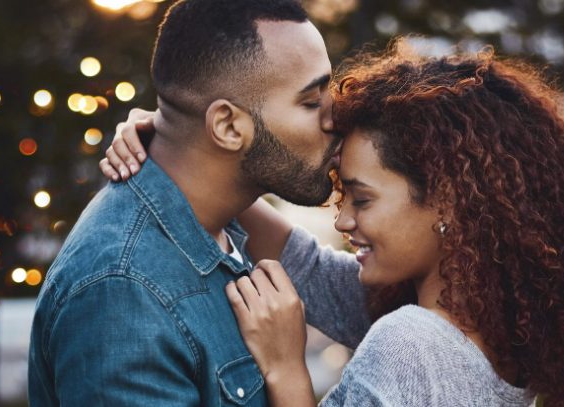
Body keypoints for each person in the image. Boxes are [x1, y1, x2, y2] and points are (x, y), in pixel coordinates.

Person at [105, 43, 564, 406]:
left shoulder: (411, 344)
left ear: (449, 202)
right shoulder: (499, 332)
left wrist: (288, 371)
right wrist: (189, 142)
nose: (342, 219)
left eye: (361, 199)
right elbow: (303, 262)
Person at [27, 0, 343, 405]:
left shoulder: (219, 221)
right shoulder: (123, 293)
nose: (336, 118)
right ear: (228, 126)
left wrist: (172, 132)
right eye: (312, 101)